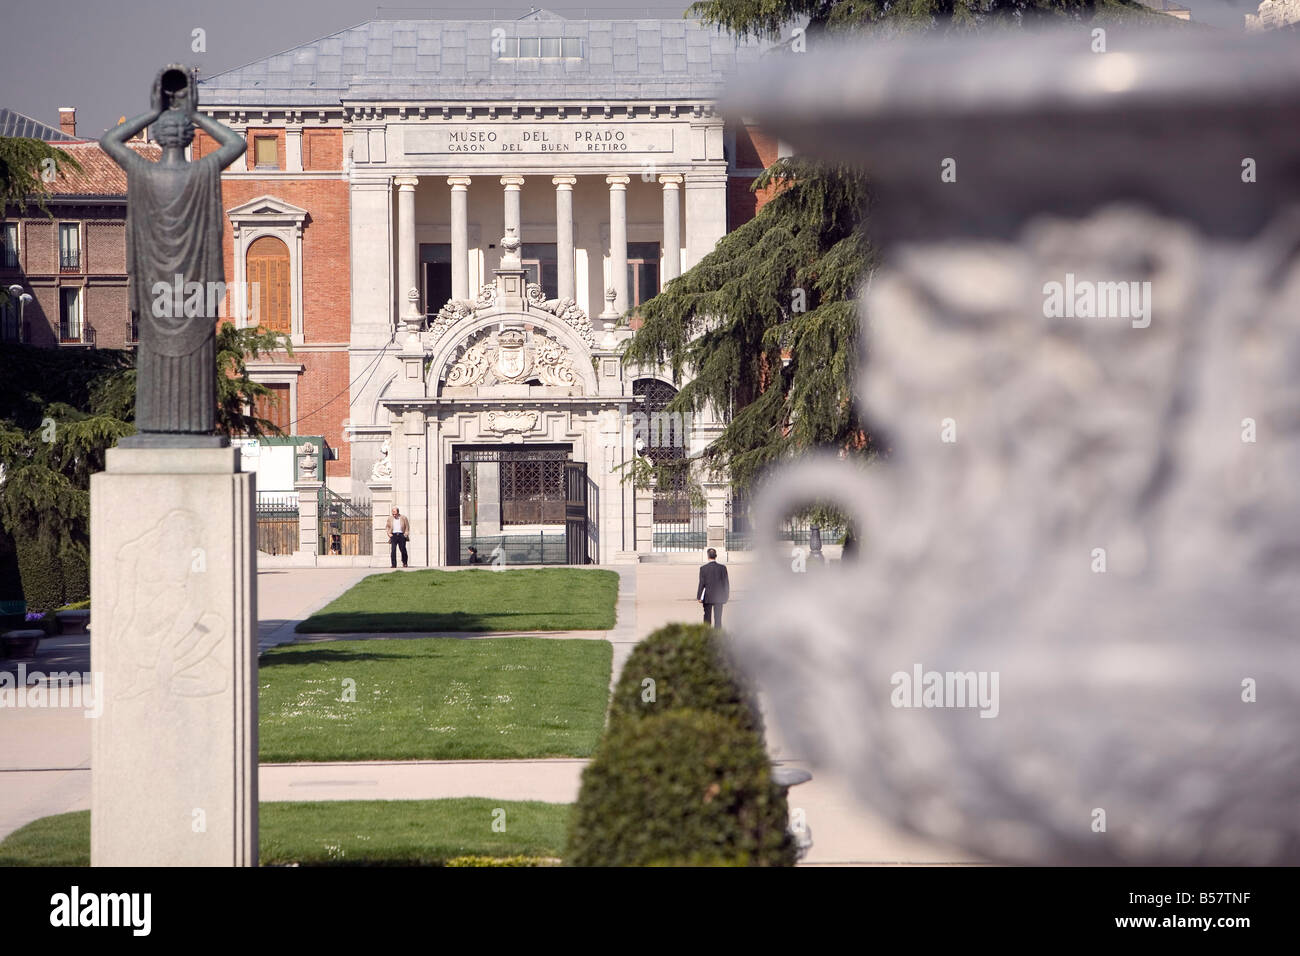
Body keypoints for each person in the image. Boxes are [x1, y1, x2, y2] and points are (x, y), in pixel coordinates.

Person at [697, 548, 730, 628]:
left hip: (708, 596)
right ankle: (717, 636)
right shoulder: (722, 568)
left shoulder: (703, 568)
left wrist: (699, 596)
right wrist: (726, 596)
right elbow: (726, 584)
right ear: (716, 556)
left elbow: (702, 583)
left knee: (707, 617)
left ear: (708, 556)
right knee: (718, 619)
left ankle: (707, 634)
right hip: (719, 596)